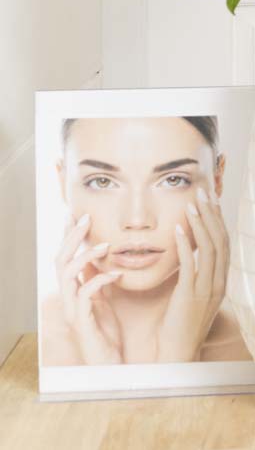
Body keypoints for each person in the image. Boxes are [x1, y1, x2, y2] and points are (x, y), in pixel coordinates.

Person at [40, 115, 243, 367]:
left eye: (173, 179)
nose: (137, 219)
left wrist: (179, 359)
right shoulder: (29, 343)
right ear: (63, 183)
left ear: (217, 179)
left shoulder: (253, 352)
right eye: (102, 181)